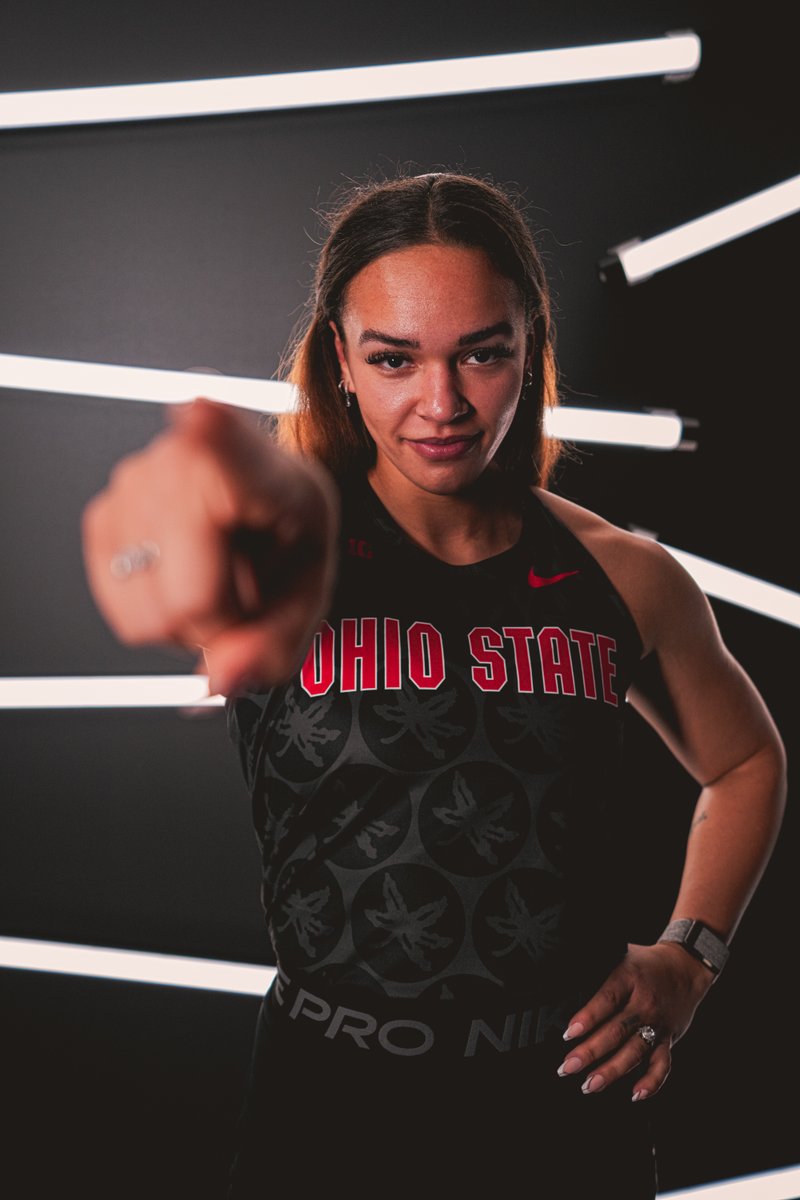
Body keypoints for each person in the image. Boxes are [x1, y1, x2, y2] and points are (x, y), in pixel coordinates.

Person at [82, 173, 786, 1198]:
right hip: (326, 1104)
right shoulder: (280, 551)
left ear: (529, 344)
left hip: (557, 1104)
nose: (441, 403)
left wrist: (689, 957)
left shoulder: (624, 576)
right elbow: (146, 554)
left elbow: (743, 759)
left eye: (481, 353)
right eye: (394, 358)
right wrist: (159, 540)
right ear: (342, 361)